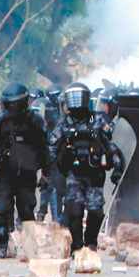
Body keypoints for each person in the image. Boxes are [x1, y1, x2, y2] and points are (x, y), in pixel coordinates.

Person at [48, 83, 123, 252]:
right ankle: (76, 245)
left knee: (96, 211)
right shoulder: (64, 124)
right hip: (73, 174)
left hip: (94, 174)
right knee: (74, 210)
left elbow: (110, 146)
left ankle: (91, 243)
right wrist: (50, 174)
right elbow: (52, 150)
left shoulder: (97, 122)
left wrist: (117, 166)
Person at [0, 82, 48, 257]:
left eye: (16, 103)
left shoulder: (35, 122)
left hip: (27, 173)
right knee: (2, 209)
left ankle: (29, 248)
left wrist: (46, 173)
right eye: (10, 103)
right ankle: (2, 247)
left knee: (26, 210)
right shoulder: (2, 121)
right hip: (6, 172)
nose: (12, 107)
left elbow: (45, 149)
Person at [35, 83, 64, 221]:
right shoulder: (39, 122)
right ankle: (41, 213)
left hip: (55, 162)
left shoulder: (57, 122)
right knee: (45, 187)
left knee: (53, 188)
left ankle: (56, 218)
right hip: (46, 160)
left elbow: (53, 146)